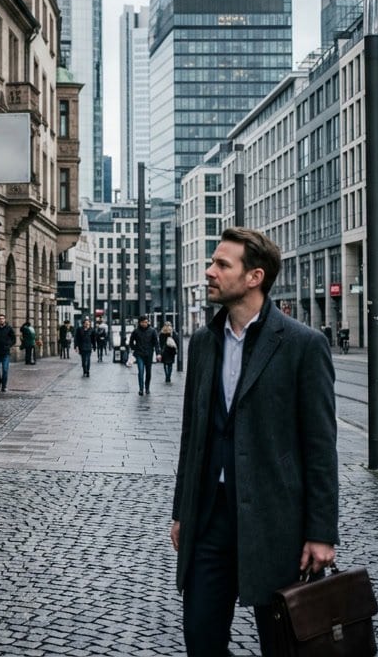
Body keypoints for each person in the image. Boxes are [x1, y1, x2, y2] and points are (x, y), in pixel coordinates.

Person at [170, 227, 338, 657]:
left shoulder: (303, 345)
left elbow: (320, 447)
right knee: (201, 641)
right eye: (212, 262)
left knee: (282, 644)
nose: (209, 272)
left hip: (277, 522)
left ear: (254, 277)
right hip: (210, 517)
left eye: (222, 264)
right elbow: (193, 435)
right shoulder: (204, 343)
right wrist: (181, 512)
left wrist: (321, 532)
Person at [129, 316, 160, 395]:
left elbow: (156, 343)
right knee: (141, 371)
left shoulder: (152, 331)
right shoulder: (136, 331)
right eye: (143, 322)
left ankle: (147, 387)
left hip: (149, 354)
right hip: (139, 354)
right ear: (139, 323)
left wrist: (158, 353)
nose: (144, 324)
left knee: (148, 372)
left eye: (146, 322)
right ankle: (141, 389)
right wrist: (134, 348)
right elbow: (131, 341)